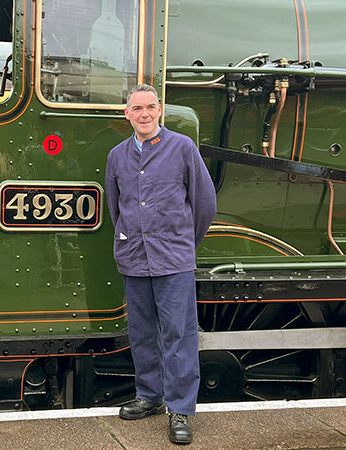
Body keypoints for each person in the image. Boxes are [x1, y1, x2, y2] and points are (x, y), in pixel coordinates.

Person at [105, 84, 216, 445]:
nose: (144, 114)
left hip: (173, 259)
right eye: (137, 109)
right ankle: (149, 396)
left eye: (150, 107)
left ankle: (180, 409)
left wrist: (183, 243)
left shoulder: (183, 147)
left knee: (178, 335)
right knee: (142, 332)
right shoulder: (117, 156)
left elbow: (204, 203)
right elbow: (115, 206)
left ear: (160, 109)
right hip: (134, 257)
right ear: (127, 114)